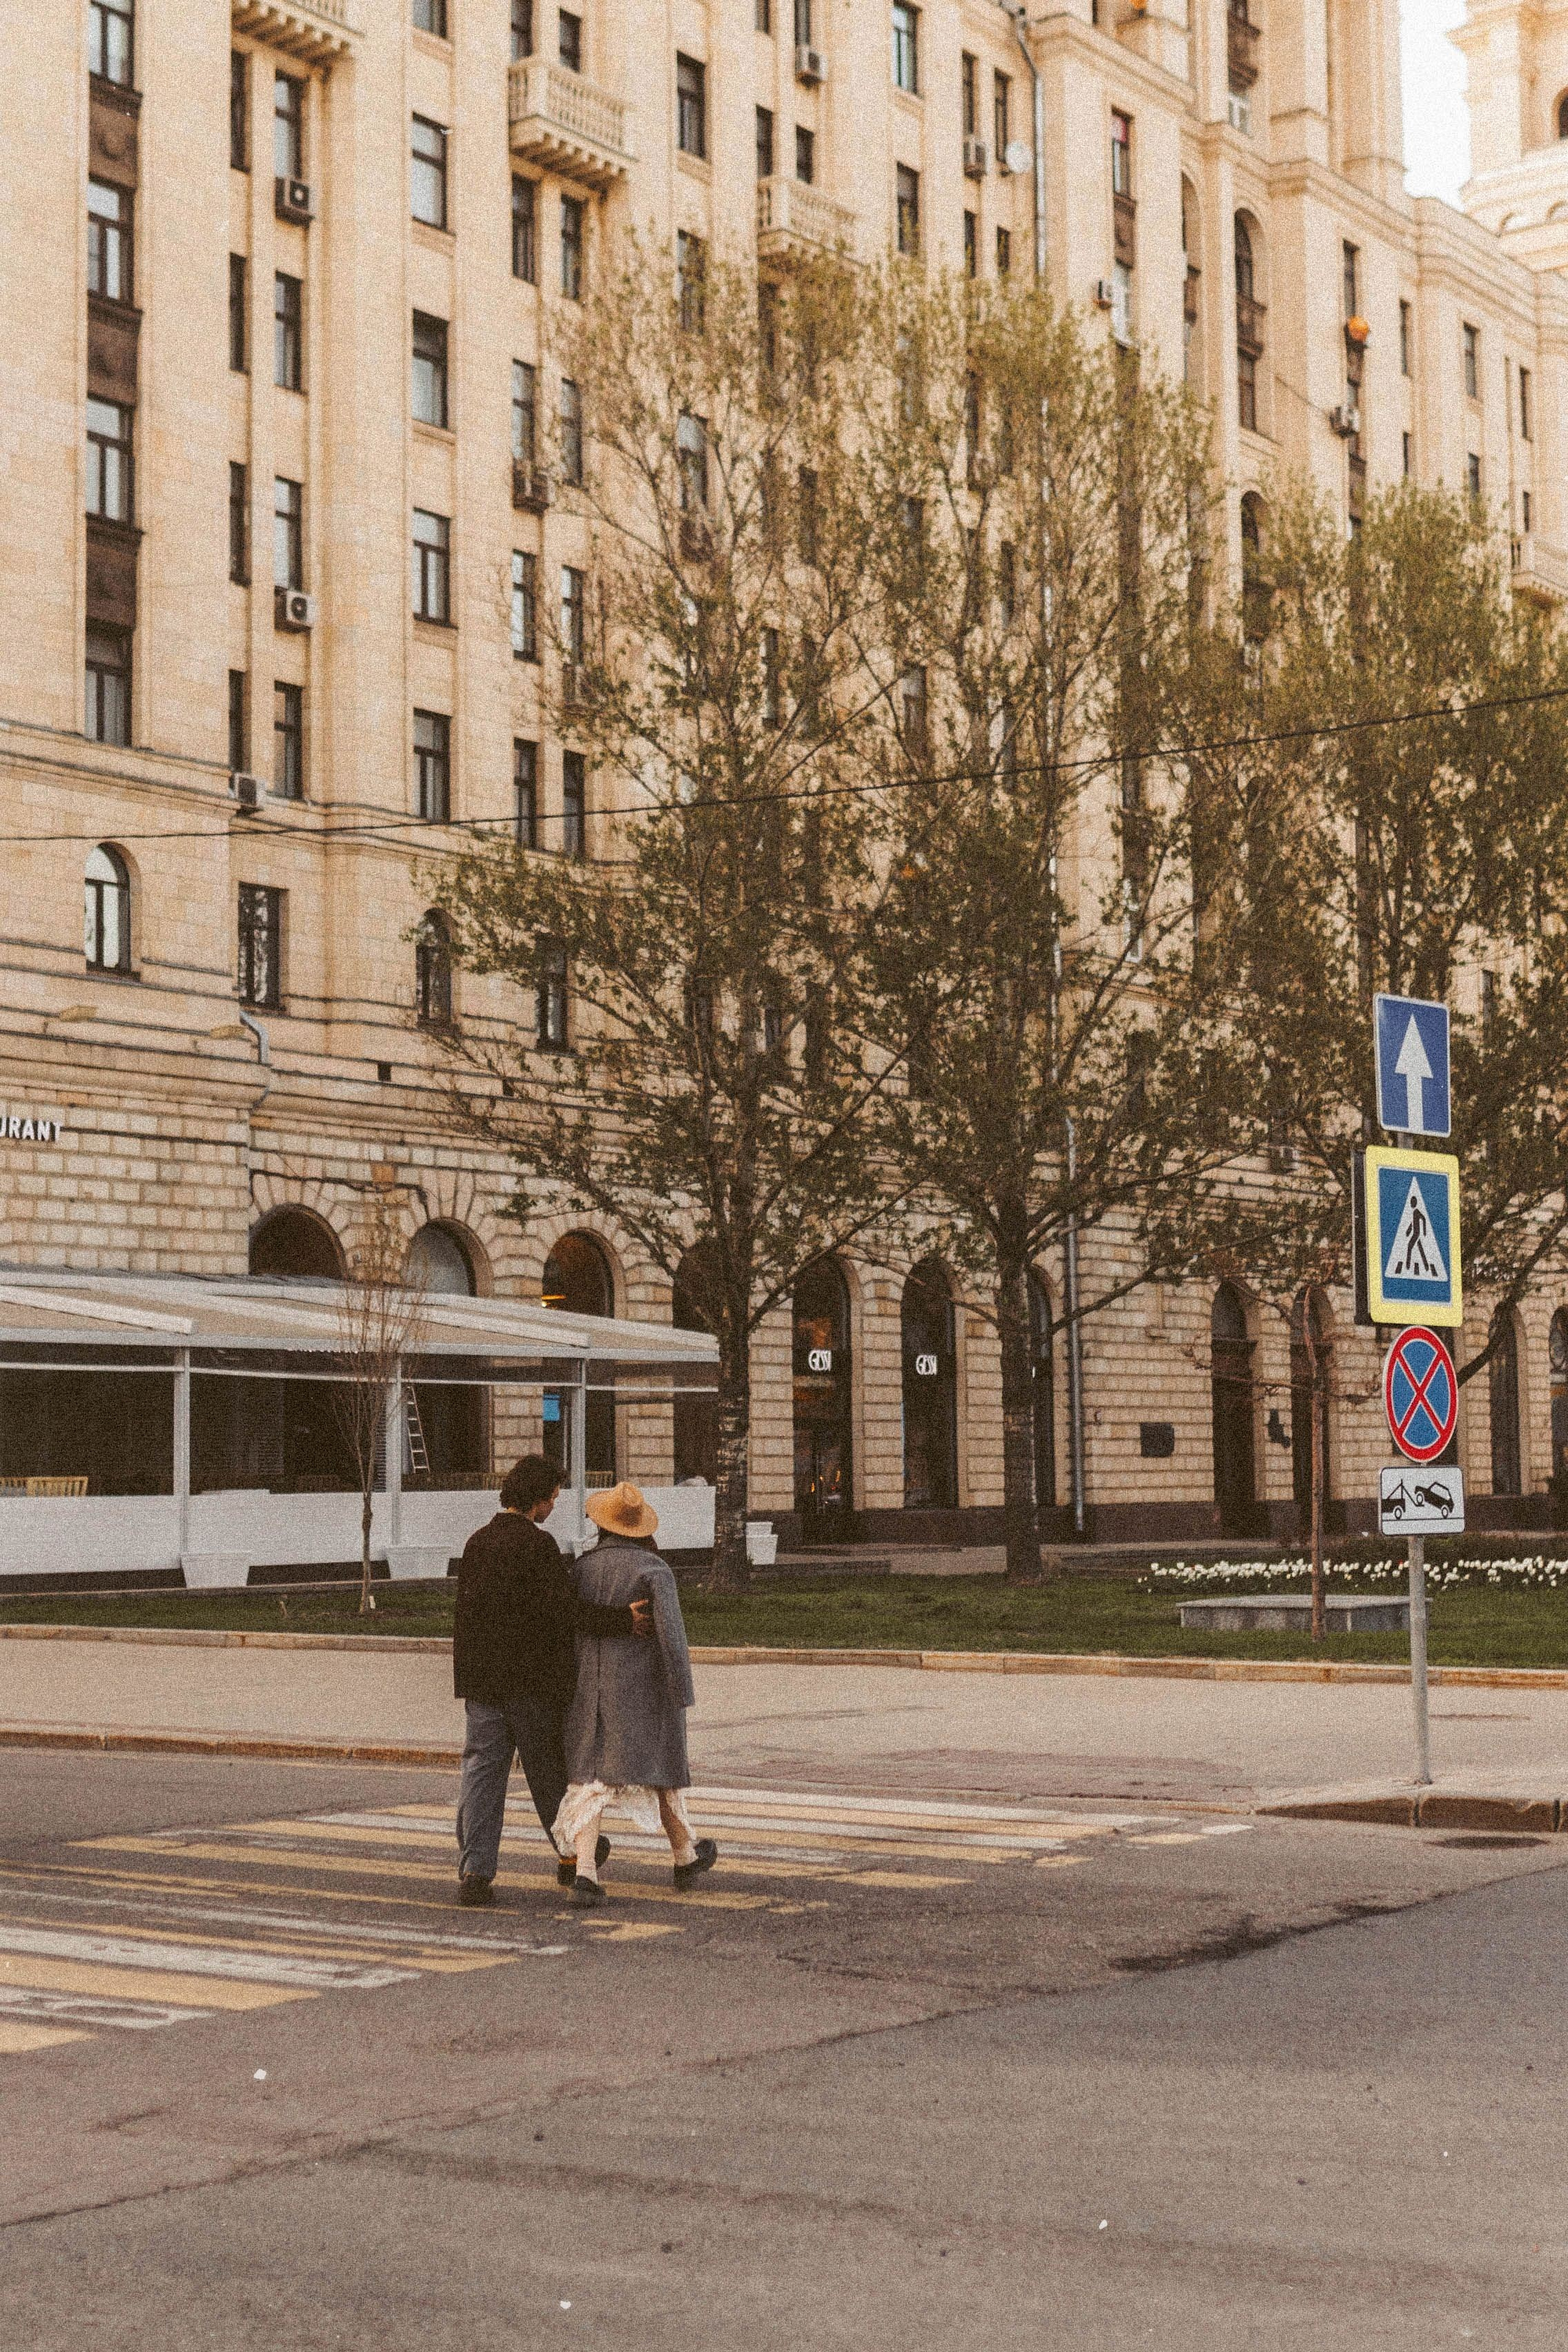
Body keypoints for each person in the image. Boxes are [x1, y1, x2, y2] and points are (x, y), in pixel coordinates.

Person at [453, 1456, 651, 1908]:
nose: (555, 1505)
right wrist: (624, 1620)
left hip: (484, 1682)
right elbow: (563, 1612)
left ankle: (476, 1871)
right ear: (537, 1499)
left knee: (483, 1776)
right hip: (530, 1683)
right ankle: (573, 1856)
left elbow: (466, 1617)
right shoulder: (536, 1546)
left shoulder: (477, 1543)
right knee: (550, 1777)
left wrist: (467, 1675)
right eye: (554, 1497)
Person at [554, 1481, 717, 1908]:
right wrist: (681, 1690)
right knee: (663, 1769)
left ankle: (586, 1872)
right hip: (646, 1689)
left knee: (591, 1779)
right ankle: (683, 1855)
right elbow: (672, 1637)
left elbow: (570, 1624)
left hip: (589, 1689)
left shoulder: (581, 1569)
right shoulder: (654, 1571)